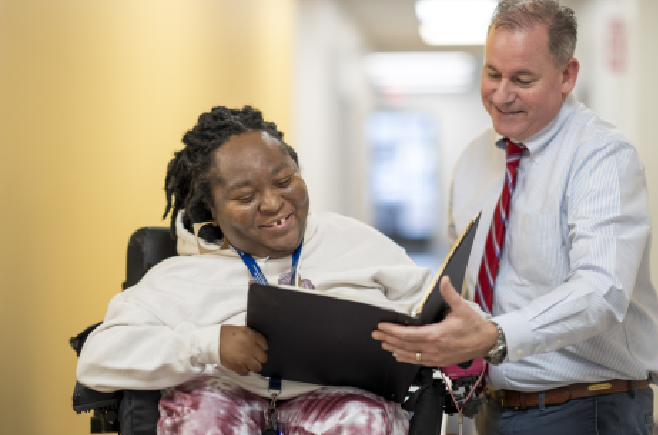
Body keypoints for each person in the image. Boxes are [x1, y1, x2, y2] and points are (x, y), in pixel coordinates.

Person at [373, 1, 658, 434]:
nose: (501, 94)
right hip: (496, 409)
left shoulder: (602, 156)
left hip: (587, 409)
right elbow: (464, 281)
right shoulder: (475, 158)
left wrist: (494, 335)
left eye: (523, 79)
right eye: (492, 73)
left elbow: (601, 289)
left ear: (567, 75)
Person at [76, 106, 433, 435]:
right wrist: (208, 345)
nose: (274, 203)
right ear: (211, 210)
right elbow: (97, 359)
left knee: (362, 418)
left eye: (284, 181)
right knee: (203, 415)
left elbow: (436, 306)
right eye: (246, 198)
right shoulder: (181, 275)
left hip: (335, 398)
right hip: (226, 398)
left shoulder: (354, 241)